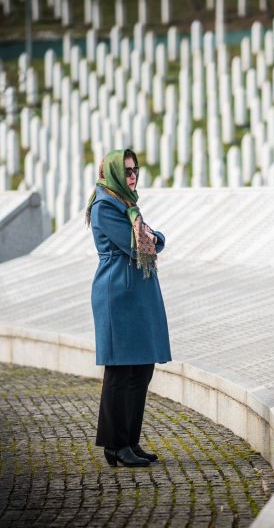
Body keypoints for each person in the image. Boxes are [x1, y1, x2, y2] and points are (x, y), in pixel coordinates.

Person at [85, 149, 171, 468]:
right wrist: (155, 237)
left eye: (136, 169)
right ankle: (115, 444)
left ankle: (130, 442)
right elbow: (136, 242)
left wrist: (152, 236)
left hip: (136, 291)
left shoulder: (127, 204)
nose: (133, 175)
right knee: (120, 371)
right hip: (117, 292)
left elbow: (148, 238)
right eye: (128, 170)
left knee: (141, 369)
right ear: (114, 173)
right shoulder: (105, 206)